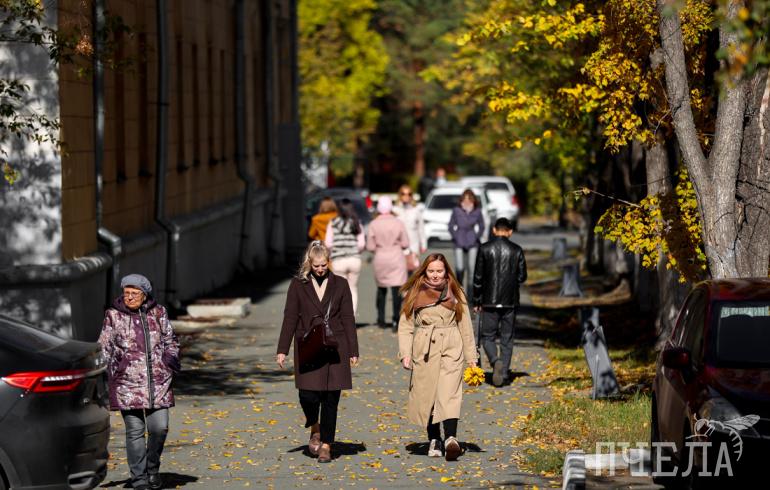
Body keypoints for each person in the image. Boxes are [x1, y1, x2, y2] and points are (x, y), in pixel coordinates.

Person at [276, 241, 359, 463]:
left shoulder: (340, 284)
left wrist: (353, 350)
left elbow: (348, 318)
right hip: (309, 345)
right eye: (316, 266)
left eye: (324, 265)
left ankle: (326, 445)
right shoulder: (298, 285)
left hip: (335, 346)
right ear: (309, 263)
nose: (321, 269)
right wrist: (282, 349)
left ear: (328, 262)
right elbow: (290, 317)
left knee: (331, 398)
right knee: (308, 395)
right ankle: (314, 425)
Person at [98, 274, 181, 490]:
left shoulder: (158, 312)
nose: (130, 297)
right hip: (128, 384)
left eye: (135, 294)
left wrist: (168, 361)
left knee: (160, 428)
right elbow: (104, 347)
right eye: (126, 293)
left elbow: (171, 340)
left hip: (158, 383)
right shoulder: (113, 316)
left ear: (145, 295)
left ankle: (152, 468)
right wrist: (102, 373)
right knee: (134, 432)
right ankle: (140, 479)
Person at [397, 254, 478, 461]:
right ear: (424, 271)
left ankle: (451, 438)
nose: (435, 275)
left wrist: (472, 357)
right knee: (428, 394)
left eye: (439, 271)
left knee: (449, 392)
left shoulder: (456, 292)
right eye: (431, 271)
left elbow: (465, 325)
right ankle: (434, 439)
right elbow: (405, 325)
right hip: (424, 348)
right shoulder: (415, 291)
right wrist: (405, 353)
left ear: (446, 272)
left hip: (452, 345)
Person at [472, 218, 527, 387]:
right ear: (510, 231)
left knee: (488, 336)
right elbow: (522, 276)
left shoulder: (484, 248)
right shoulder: (517, 250)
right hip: (510, 301)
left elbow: (478, 277)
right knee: (507, 338)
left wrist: (476, 299)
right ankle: (503, 374)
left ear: (494, 230)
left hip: (489, 300)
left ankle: (495, 361)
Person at [367, 196, 410, 329]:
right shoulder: (398, 223)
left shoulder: (373, 224)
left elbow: (370, 247)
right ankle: (396, 320)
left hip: (380, 258)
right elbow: (405, 243)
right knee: (397, 289)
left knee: (381, 289)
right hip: (396, 257)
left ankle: (381, 319)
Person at [325, 198, 366, 316]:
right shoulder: (356, 222)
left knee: (339, 291)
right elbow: (362, 244)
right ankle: (350, 318)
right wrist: (354, 250)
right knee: (352, 288)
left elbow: (328, 243)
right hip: (354, 259)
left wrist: (337, 248)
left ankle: (340, 316)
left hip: (338, 260)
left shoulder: (333, 223)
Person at [448, 188, 484, 292]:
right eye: (465, 199)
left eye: (469, 199)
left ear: (473, 200)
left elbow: (482, 226)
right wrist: (455, 236)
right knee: (460, 268)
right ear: (461, 200)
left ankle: (471, 295)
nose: (467, 201)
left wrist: (476, 236)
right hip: (459, 241)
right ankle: (459, 290)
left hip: (472, 242)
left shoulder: (477, 211)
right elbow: (450, 225)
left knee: (472, 270)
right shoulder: (456, 210)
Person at [393, 184, 427, 268]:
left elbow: (421, 228)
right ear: (399, 195)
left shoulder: (416, 210)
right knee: (400, 273)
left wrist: (423, 244)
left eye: (409, 194)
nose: (406, 196)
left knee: (412, 273)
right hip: (398, 247)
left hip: (413, 246)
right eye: (403, 194)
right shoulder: (394, 210)